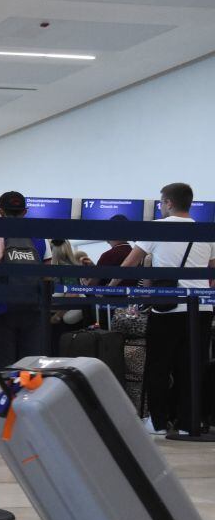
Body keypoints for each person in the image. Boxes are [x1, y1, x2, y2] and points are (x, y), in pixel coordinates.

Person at [111, 183, 215, 436]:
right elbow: (212, 272)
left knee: (158, 366)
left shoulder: (157, 228)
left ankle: (157, 423)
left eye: (161, 202)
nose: (160, 206)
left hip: (168, 308)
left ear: (168, 203)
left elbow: (129, 263)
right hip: (201, 308)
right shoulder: (206, 232)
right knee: (191, 367)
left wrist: (109, 286)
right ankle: (187, 424)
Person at [0, 191, 46, 368]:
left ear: (0, 211)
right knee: (31, 365)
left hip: (2, 309)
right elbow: (47, 276)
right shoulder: (39, 237)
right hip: (33, 308)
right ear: (25, 211)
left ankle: (6, 388)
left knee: (4, 364)